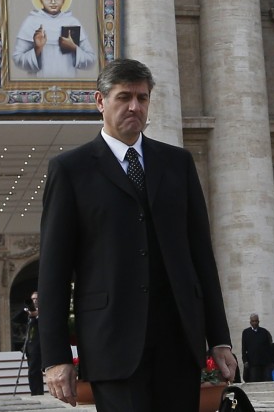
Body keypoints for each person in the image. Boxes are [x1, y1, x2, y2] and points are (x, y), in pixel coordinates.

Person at [38, 58, 236, 411]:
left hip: (178, 340)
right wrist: (56, 357)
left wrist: (219, 338)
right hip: (112, 342)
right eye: (124, 97)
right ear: (100, 102)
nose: (134, 107)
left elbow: (201, 256)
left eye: (142, 98)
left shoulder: (178, 164)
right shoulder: (70, 170)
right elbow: (54, 270)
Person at [12, 0, 96, 78]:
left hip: (69, 82)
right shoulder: (31, 22)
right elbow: (17, 60)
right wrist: (38, 48)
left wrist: (74, 48)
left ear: (63, 0)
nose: (53, 1)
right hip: (39, 83)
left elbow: (91, 61)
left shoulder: (72, 22)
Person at [13, 291, 43, 395]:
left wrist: (38, 315)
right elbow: (15, 319)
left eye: (37, 299)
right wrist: (25, 310)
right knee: (33, 370)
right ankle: (36, 392)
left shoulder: (45, 312)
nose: (35, 301)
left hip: (44, 344)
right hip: (32, 345)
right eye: (33, 299)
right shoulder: (28, 314)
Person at [241, 313, 273, 382]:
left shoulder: (264, 332)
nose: (255, 323)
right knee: (254, 380)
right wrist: (245, 360)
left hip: (265, 362)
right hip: (252, 362)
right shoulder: (246, 332)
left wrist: (271, 360)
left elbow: (269, 346)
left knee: (267, 380)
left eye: (256, 321)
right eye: (253, 321)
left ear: (258, 321)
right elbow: (244, 347)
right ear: (250, 322)